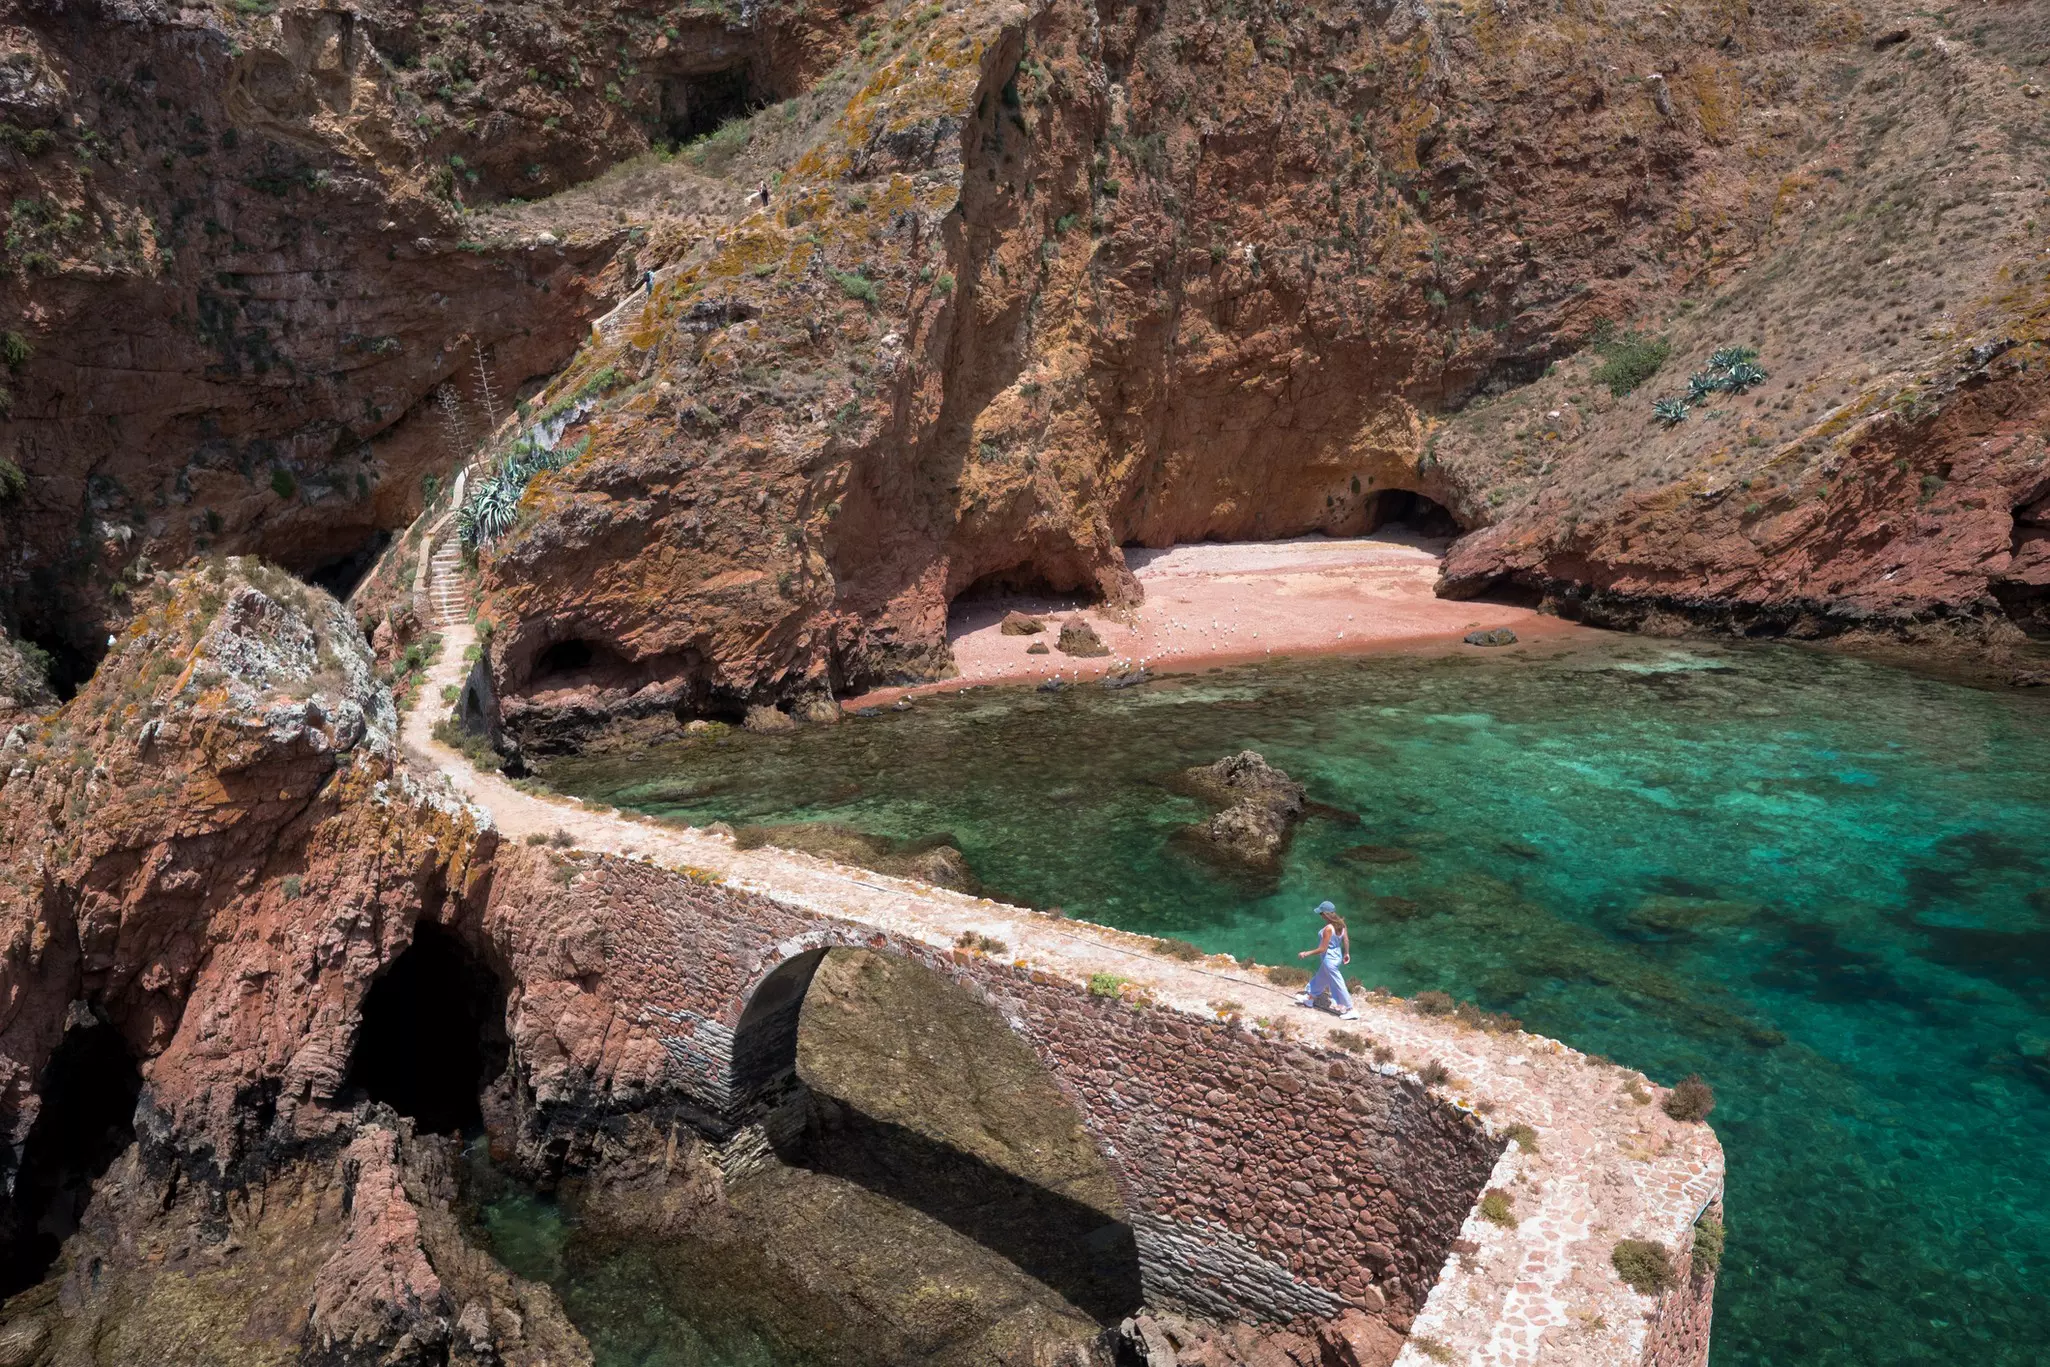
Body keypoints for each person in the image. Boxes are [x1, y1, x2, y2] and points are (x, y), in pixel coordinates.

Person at [1296, 901, 1357, 1019]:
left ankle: (1351, 1009)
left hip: (1329, 960)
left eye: (1321, 914)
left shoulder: (1328, 928)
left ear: (1326, 914)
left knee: (1338, 984)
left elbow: (1322, 949)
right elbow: (1346, 940)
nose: (1321, 916)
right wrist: (1347, 953)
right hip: (1337, 957)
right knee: (1321, 977)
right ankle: (1310, 999)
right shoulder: (1341, 923)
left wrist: (1306, 953)